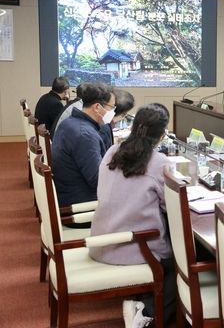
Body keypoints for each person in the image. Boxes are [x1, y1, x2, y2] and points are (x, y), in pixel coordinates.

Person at [89, 103, 175, 328]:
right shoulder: (160, 163)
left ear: (133, 127)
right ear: (163, 136)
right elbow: (172, 208)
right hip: (135, 249)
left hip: (100, 241)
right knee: (183, 264)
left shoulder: (112, 151)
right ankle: (146, 313)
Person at [52, 81, 115, 210]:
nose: (112, 112)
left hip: (69, 195)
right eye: (111, 107)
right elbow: (98, 181)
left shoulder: (70, 123)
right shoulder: (84, 135)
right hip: (80, 206)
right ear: (97, 107)